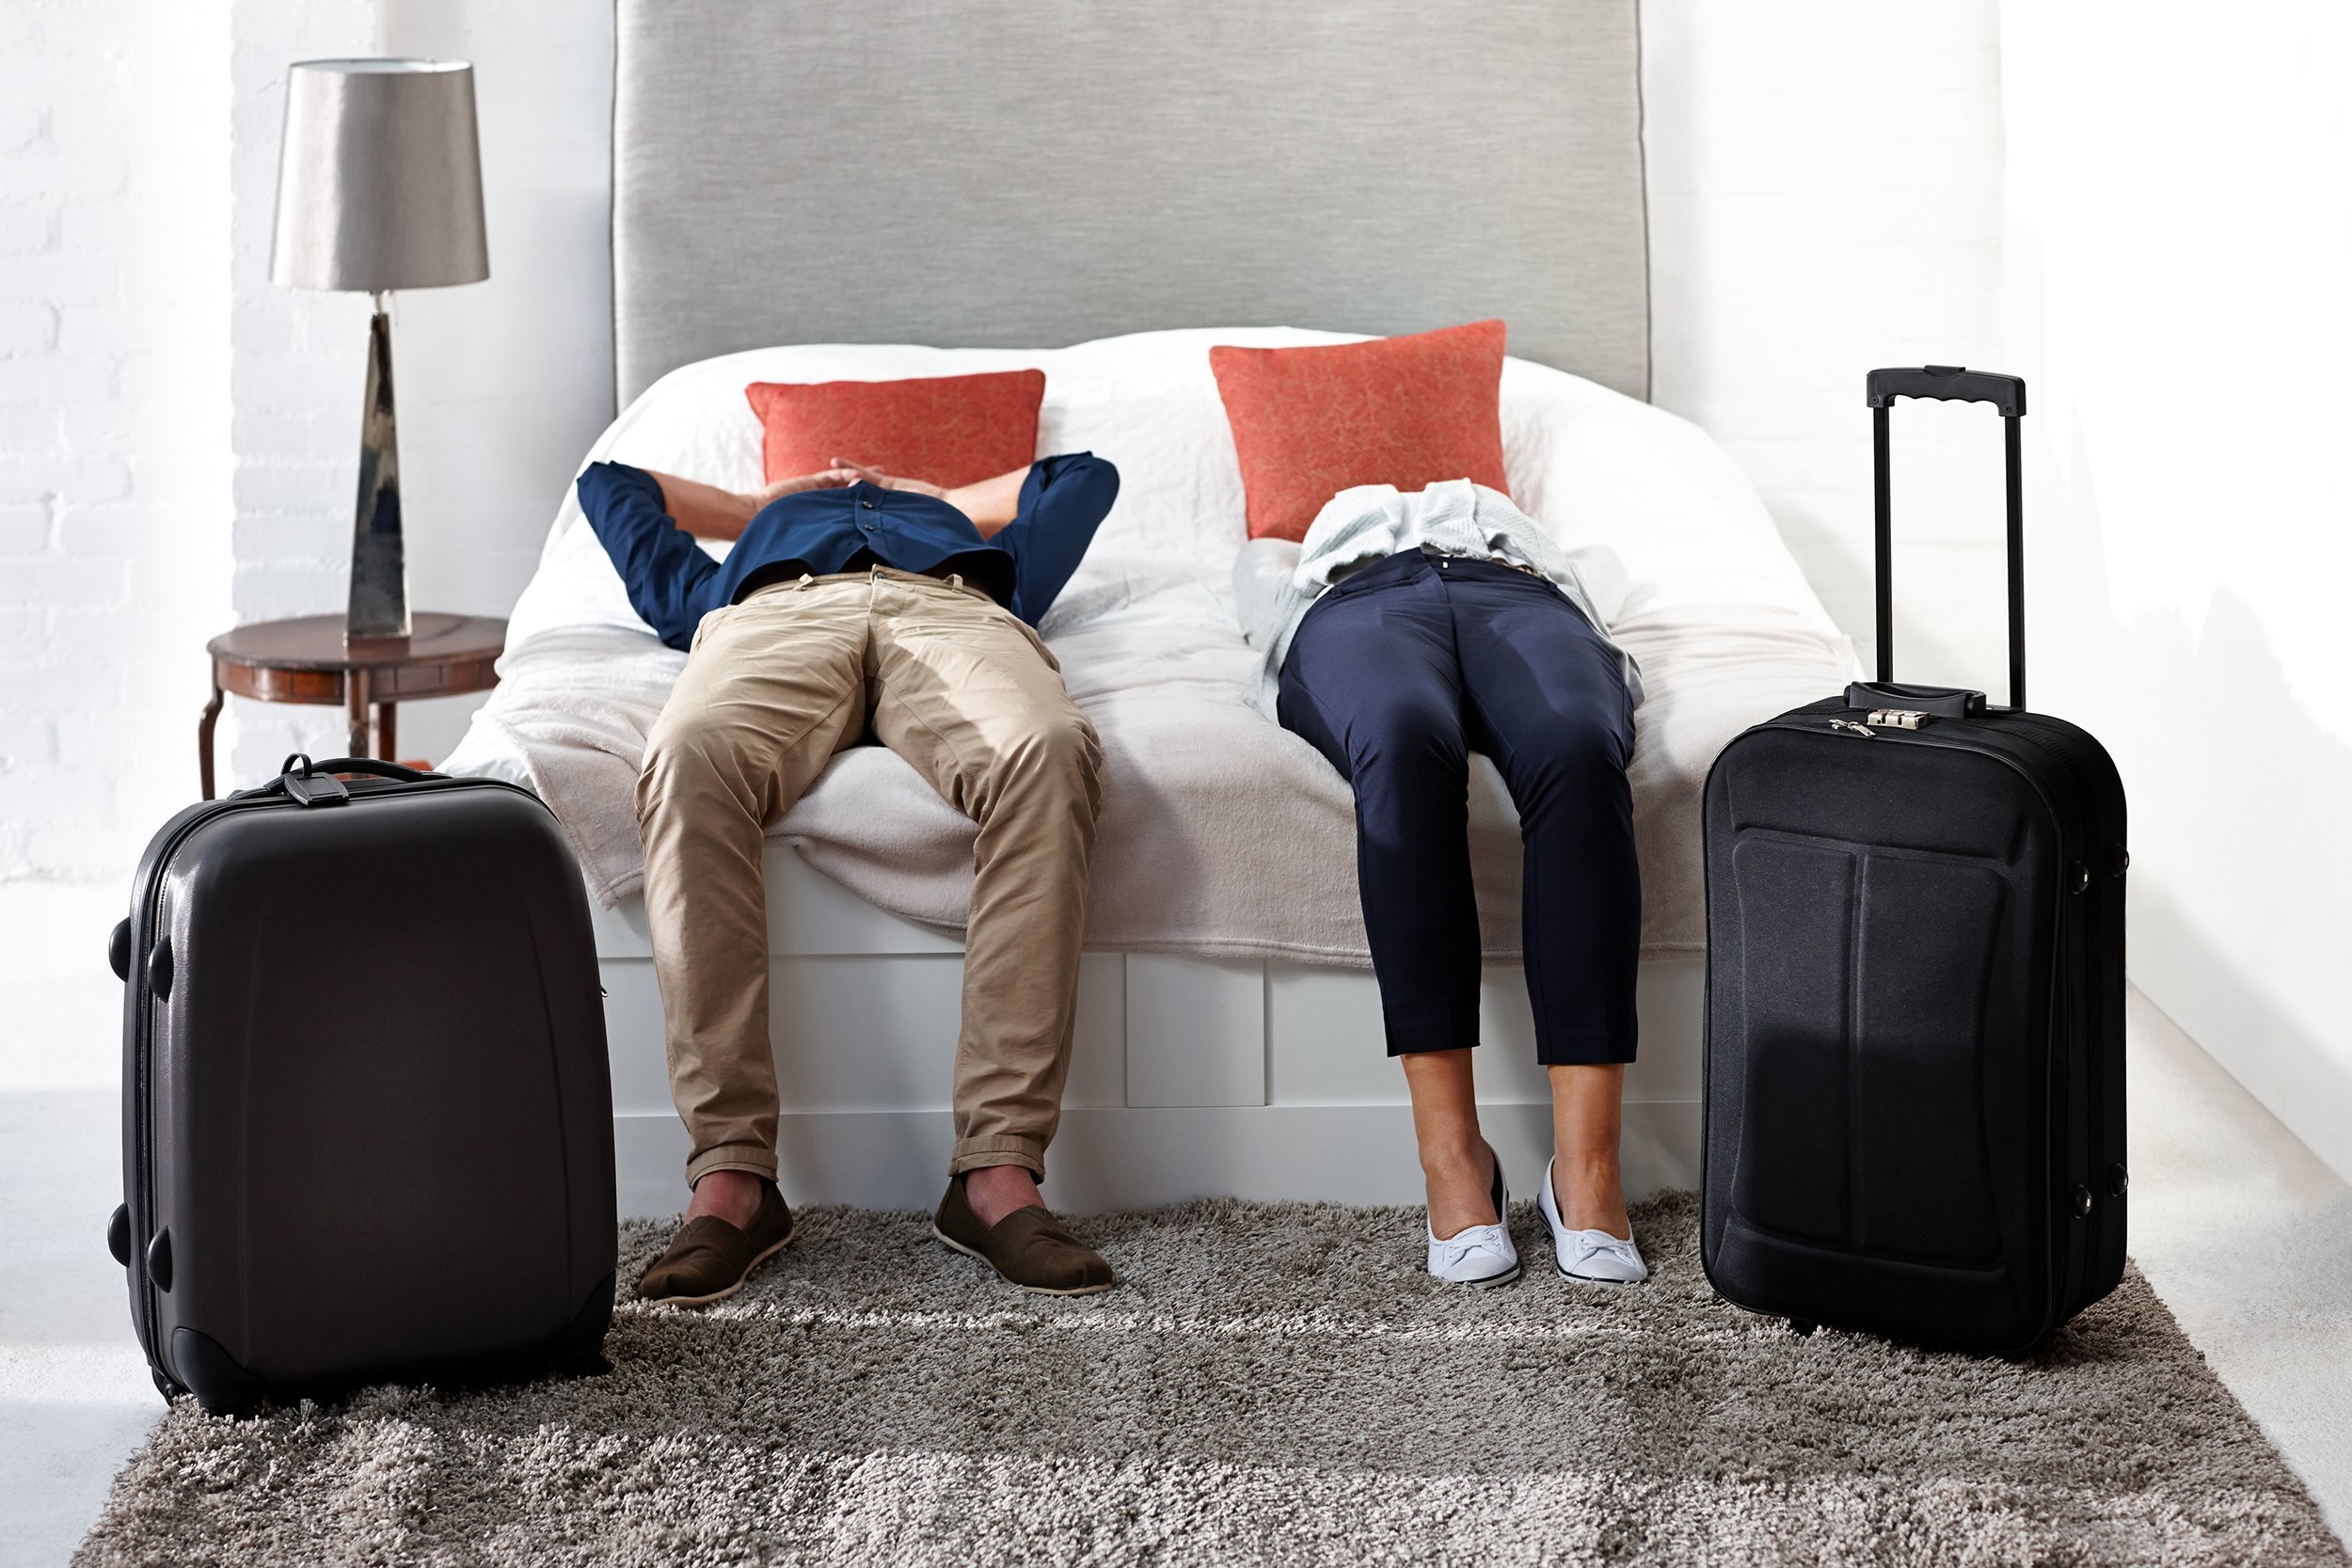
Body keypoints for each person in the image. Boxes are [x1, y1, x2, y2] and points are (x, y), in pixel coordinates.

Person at [575, 448, 1120, 1303]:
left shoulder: (984, 555)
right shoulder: (739, 558)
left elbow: (1084, 477)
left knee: (1048, 750)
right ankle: (731, 1180)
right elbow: (608, 483)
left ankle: (996, 1175)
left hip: (952, 611)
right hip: (774, 619)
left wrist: (933, 491)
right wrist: (760, 501)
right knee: (685, 755)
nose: (860, 483)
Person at [1235, 479, 1647, 1288]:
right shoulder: (1305, 544)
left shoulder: (1523, 532)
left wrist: (1549, 571)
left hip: (1521, 596)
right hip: (1358, 603)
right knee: (1399, 736)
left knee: (1575, 746)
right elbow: (1257, 587)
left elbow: (1604, 575)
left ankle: (1588, 1169)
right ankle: (1454, 1158)